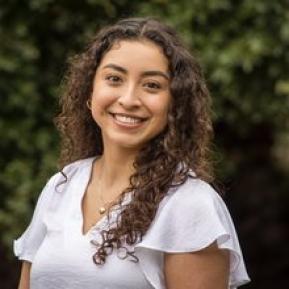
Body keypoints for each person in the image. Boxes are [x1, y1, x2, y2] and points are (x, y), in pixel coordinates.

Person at [13, 17, 250, 289]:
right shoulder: (61, 186)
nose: (128, 99)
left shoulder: (189, 205)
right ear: (90, 91)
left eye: (151, 85)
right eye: (114, 79)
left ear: (175, 103)